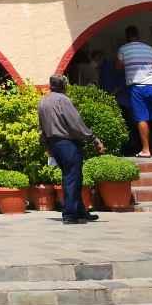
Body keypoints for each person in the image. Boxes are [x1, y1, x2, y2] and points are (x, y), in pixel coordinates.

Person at [38, 74, 105, 223]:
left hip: (54, 144)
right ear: (64, 85)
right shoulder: (63, 100)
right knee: (72, 178)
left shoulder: (43, 101)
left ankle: (80, 211)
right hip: (67, 144)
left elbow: (41, 127)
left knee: (74, 177)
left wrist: (47, 146)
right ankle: (70, 214)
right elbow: (76, 123)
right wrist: (94, 139)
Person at [117, 26, 152, 158]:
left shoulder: (124, 49)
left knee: (142, 119)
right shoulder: (150, 49)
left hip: (137, 87)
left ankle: (146, 150)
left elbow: (118, 67)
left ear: (127, 36)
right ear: (138, 35)